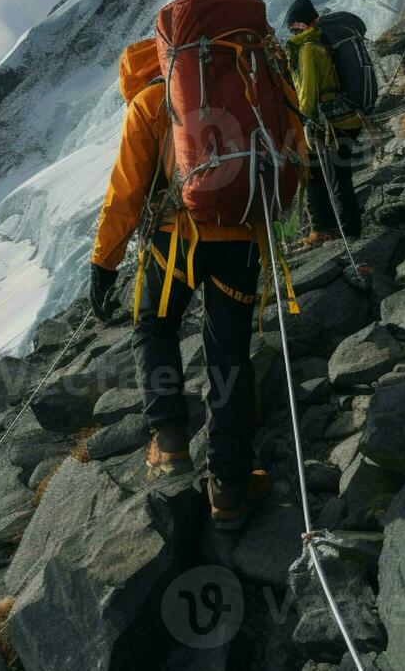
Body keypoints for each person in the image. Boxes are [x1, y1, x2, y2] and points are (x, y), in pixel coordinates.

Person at [87, 40, 271, 531]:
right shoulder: (243, 84)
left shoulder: (150, 103)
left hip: (176, 241)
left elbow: (125, 190)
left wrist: (104, 261)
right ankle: (229, 488)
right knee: (229, 351)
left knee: (154, 327)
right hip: (240, 236)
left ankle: (169, 442)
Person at [285, 0, 362, 250]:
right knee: (338, 173)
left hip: (329, 122)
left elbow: (307, 93)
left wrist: (304, 118)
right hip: (346, 117)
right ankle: (343, 229)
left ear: (298, 24)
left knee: (322, 174)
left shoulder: (307, 49)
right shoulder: (321, 41)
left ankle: (336, 231)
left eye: (293, 27)